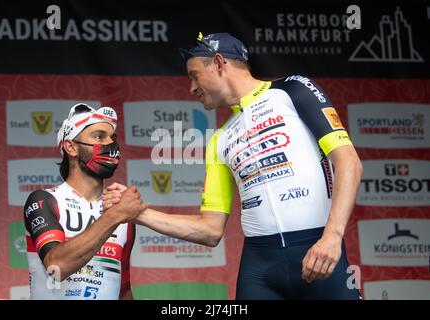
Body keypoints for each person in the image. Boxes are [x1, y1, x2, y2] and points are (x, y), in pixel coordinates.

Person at [105, 32, 363, 299]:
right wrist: (137, 213)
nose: (192, 88)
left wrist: (332, 236)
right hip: (261, 269)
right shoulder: (219, 140)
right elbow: (210, 230)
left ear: (219, 63)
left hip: (320, 253)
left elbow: (348, 163)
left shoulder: (292, 90)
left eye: (194, 76)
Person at [23, 103, 147, 300]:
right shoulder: (45, 200)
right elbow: (57, 266)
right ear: (71, 147)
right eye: (99, 136)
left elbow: (124, 289)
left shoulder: (122, 215)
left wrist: (119, 214)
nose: (110, 144)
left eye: (112, 138)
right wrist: (115, 216)